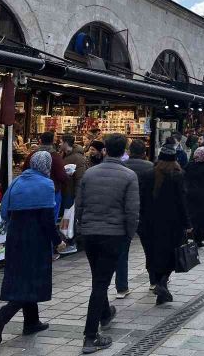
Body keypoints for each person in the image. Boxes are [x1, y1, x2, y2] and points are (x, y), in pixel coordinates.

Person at [0, 152, 63, 343]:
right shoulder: (46, 185)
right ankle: (1, 316)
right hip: (35, 240)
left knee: (23, 278)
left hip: (15, 238)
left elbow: (4, 211)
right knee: (33, 281)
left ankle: (32, 321)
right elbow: (47, 220)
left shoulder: (17, 182)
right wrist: (57, 241)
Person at [75, 133, 139, 352]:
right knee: (100, 283)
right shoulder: (129, 176)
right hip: (113, 234)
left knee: (98, 279)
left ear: (105, 150)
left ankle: (105, 313)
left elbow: (80, 204)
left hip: (91, 233)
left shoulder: (90, 173)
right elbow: (132, 211)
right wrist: (129, 235)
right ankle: (90, 336)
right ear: (123, 152)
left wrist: (81, 229)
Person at [147, 139, 192, 305]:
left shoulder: (151, 174)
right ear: (175, 159)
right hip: (174, 223)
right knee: (173, 254)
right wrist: (188, 224)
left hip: (153, 222)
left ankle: (160, 285)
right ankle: (163, 282)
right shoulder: (178, 175)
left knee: (156, 253)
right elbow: (182, 202)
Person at [123, 139, 157, 292]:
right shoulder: (151, 167)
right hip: (146, 213)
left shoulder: (122, 167)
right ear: (144, 153)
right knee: (150, 248)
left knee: (123, 252)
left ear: (129, 152)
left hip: (124, 212)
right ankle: (153, 280)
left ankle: (121, 286)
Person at [58, 134, 87, 255]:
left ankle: (71, 242)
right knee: (66, 218)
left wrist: (77, 196)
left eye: (60, 142)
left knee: (70, 218)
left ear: (66, 143)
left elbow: (80, 179)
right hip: (65, 192)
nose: (59, 144)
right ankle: (67, 240)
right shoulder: (65, 155)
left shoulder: (77, 158)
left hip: (70, 193)